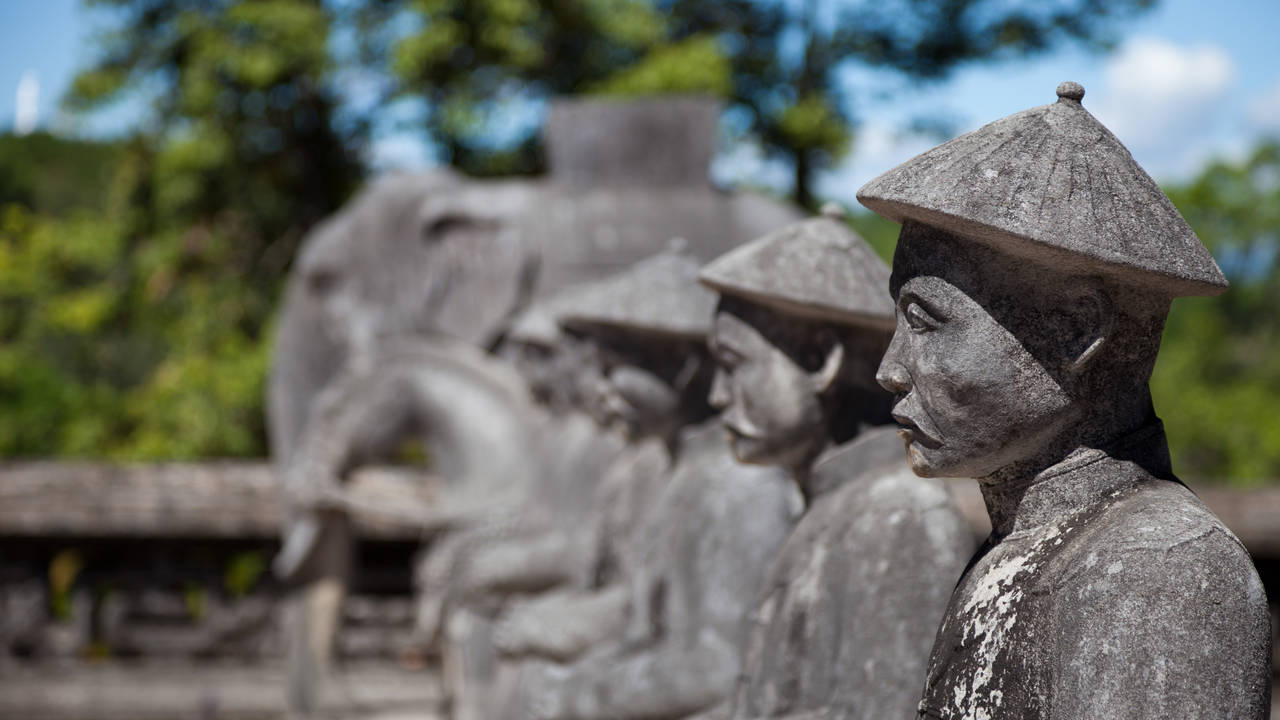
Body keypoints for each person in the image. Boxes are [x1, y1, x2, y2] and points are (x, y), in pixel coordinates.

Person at [858, 81, 1271, 719]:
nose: (890, 371)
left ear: (1075, 329)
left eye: (924, 320)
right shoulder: (1022, 544)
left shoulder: (1161, 573)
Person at [696, 206, 974, 719]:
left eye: (734, 365)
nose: (716, 395)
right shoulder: (836, 506)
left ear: (821, 359)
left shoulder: (899, 517)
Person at [509, 251, 800, 720]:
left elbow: (720, 667)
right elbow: (641, 618)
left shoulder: (737, 486)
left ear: (683, 368)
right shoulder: (678, 470)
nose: (596, 390)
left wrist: (585, 695)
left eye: (611, 369)